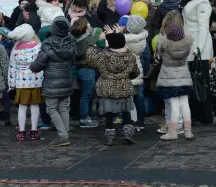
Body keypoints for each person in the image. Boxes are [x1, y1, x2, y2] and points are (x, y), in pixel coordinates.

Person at [169, 0, 213, 125]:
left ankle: (205, 116)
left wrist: (199, 47)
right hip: (190, 46)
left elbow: (203, 28)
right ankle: (194, 114)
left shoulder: (203, 4)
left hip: (200, 49)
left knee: (201, 82)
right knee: (192, 82)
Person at [85, 27, 140, 145]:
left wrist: (91, 45)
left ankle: (110, 137)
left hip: (106, 87)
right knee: (126, 112)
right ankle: (127, 134)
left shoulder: (102, 55)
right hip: (123, 87)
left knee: (109, 114)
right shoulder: (129, 56)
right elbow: (136, 72)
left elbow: (90, 60)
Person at [29, 16, 76, 147]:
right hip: (66, 80)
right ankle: (65, 135)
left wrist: (31, 66)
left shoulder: (48, 44)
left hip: (51, 83)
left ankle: (62, 136)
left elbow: (38, 65)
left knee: (51, 109)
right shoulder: (72, 41)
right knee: (64, 108)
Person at [156, 21, 194, 141]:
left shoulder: (164, 44)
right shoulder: (187, 45)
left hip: (169, 78)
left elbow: (159, 54)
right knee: (185, 104)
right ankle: (188, 132)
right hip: (184, 76)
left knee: (174, 105)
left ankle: (172, 132)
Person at [8, 24, 44, 141]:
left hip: (20, 82)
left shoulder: (15, 49)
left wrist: (11, 84)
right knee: (34, 106)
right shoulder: (39, 47)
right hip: (36, 82)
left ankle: (22, 131)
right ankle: (34, 131)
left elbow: (12, 68)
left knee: (22, 107)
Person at [125, 14, 148, 132]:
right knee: (140, 96)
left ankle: (132, 121)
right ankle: (142, 120)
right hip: (139, 70)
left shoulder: (126, 40)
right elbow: (147, 56)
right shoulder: (143, 39)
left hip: (128, 71)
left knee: (129, 98)